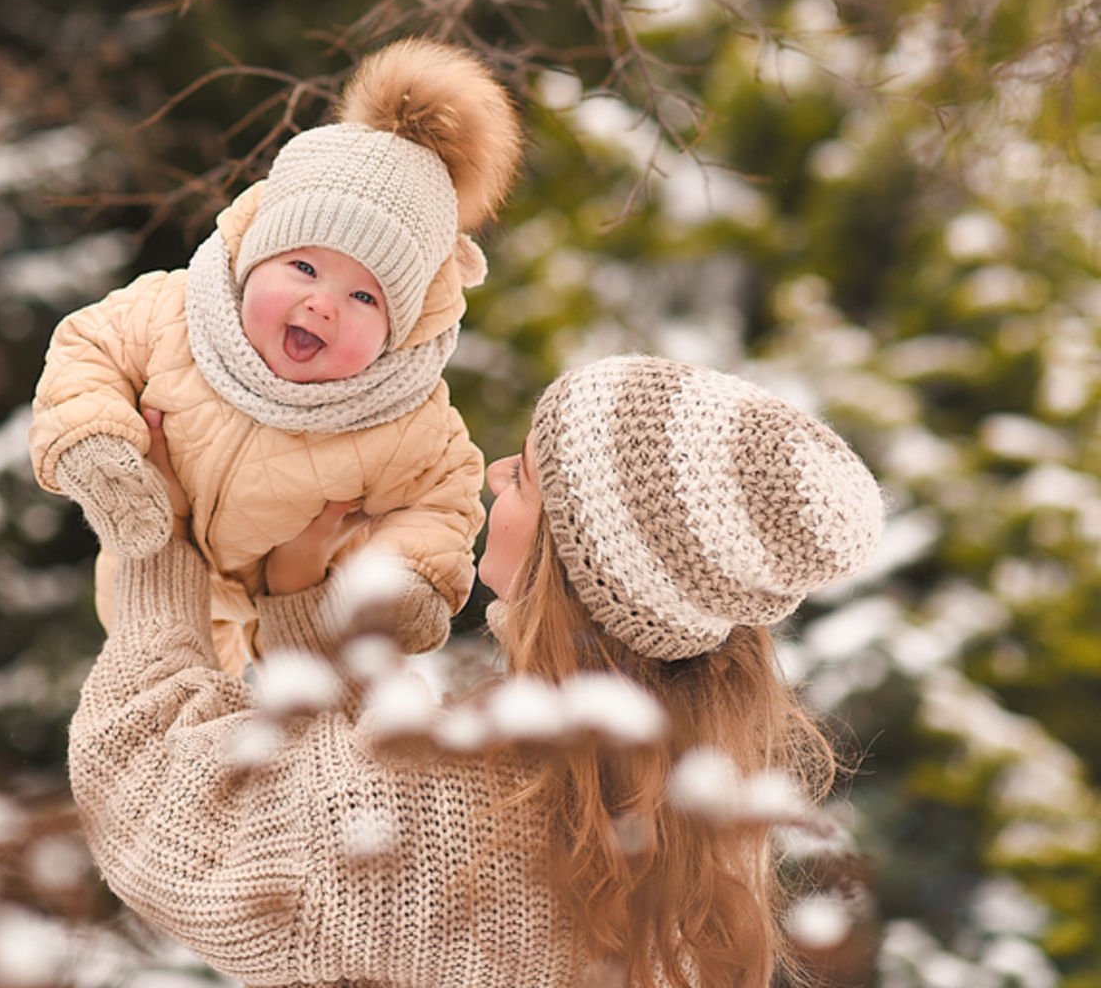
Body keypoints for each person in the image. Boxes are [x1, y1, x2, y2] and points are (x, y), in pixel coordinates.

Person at [68, 355, 885, 988]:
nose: (496, 473)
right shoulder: (674, 831)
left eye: (525, 475)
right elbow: (368, 871)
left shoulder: (471, 812)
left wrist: (155, 538)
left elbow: (140, 793)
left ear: (573, 565)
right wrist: (309, 610)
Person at [27, 38, 523, 673]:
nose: (323, 304)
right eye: (304, 266)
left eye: (365, 296)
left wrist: (402, 582)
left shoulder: (404, 418)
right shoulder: (173, 313)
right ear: (254, 255)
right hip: (141, 571)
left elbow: (441, 501)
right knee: (160, 708)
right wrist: (98, 446)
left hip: (292, 622)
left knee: (260, 735)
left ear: (399, 331)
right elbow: (87, 348)